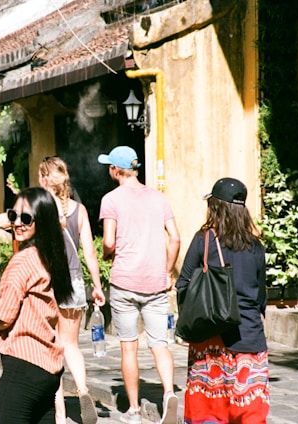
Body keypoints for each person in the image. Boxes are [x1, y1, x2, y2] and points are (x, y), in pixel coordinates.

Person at [97, 146, 180, 424]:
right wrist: (167, 271)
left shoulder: (111, 199)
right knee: (160, 344)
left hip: (124, 281)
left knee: (128, 346)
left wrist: (108, 254)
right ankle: (168, 393)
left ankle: (133, 410)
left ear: (116, 170)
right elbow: (175, 238)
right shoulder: (159, 198)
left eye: (109, 166)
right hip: (155, 283)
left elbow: (108, 242)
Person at [175, 178, 269, 423]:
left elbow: (183, 285)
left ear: (215, 208)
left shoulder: (203, 240)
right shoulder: (256, 246)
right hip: (249, 337)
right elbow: (260, 297)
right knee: (249, 411)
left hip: (209, 337)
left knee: (209, 410)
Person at [0, 187, 73, 424]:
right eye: (13, 216)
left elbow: (4, 317)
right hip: (48, 371)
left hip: (24, 366)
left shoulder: (24, 260)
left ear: (41, 222)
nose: (17, 223)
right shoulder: (50, 257)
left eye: (26, 218)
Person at [38, 156, 106, 424]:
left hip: (49, 281)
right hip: (75, 282)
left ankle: (60, 413)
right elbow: (89, 252)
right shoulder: (79, 209)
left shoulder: (40, 208)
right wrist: (98, 287)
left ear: (45, 179)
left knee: (53, 348)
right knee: (72, 345)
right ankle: (82, 390)